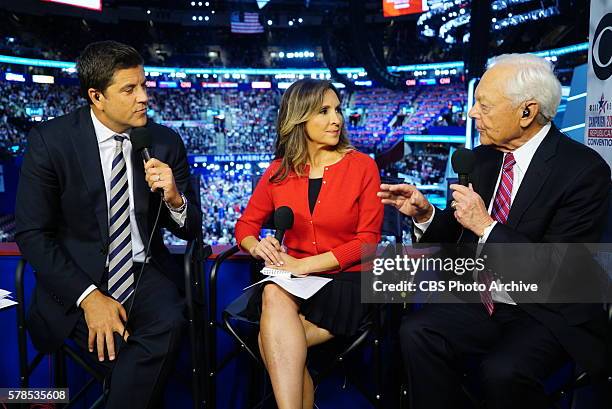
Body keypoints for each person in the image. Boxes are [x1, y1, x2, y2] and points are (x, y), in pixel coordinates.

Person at [378, 53, 610, 408]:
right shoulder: (484, 159)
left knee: (501, 371)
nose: (472, 114)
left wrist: (486, 226)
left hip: (546, 311)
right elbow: (461, 242)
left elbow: (560, 274)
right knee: (416, 331)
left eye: (483, 106)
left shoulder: (583, 171)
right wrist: (426, 215)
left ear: (527, 112)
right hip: (485, 302)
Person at [15, 41, 202, 409]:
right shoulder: (51, 142)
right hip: (74, 279)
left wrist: (175, 199)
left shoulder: (164, 141)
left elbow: (190, 228)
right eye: (130, 89)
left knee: (167, 322)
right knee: (136, 349)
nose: (144, 97)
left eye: (144, 85)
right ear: (96, 96)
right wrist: (89, 297)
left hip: (144, 272)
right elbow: (32, 234)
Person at [235, 79, 384, 409]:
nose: (337, 119)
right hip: (295, 282)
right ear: (299, 118)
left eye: (338, 110)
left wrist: (303, 265)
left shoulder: (363, 166)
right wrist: (256, 245)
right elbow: (245, 225)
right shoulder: (278, 172)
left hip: (348, 279)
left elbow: (368, 242)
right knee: (273, 294)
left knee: (273, 343)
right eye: (324, 111)